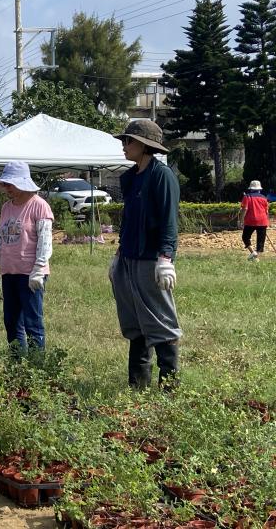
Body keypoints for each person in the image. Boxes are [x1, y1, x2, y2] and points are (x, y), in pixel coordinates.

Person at [109, 119, 180, 390]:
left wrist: (166, 259)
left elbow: (169, 220)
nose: (124, 146)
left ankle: (169, 387)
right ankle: (138, 385)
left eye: (128, 141)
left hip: (151, 259)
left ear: (145, 145)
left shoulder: (162, 176)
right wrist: (118, 254)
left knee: (160, 320)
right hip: (128, 257)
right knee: (134, 321)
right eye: (124, 141)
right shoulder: (132, 177)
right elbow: (128, 221)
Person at [0, 161, 53, 352]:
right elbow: (0, 238)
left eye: (10, 184)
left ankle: (36, 366)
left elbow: (45, 240)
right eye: (5, 184)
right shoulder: (7, 207)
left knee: (33, 322)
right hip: (9, 271)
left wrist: (39, 268)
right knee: (11, 321)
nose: (7, 188)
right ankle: (17, 366)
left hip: (30, 272)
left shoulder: (39, 206)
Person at [240, 180, 269, 262]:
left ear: (251, 189)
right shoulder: (264, 198)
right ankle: (256, 255)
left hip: (250, 221)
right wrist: (266, 222)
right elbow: (266, 211)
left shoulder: (247, 196)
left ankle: (253, 253)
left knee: (245, 237)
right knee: (260, 241)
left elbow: (244, 209)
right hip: (263, 221)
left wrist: (241, 220)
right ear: (259, 189)